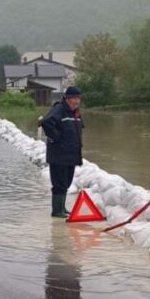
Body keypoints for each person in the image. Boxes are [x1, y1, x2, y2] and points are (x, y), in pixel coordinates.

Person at [41, 86, 84, 218]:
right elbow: (47, 122)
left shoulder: (75, 113)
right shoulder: (59, 109)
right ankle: (57, 211)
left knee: (66, 182)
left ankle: (62, 208)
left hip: (70, 155)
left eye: (78, 98)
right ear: (67, 99)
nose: (76, 101)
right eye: (73, 98)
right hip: (59, 154)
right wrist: (57, 137)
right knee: (59, 183)